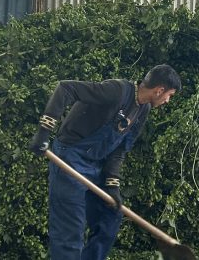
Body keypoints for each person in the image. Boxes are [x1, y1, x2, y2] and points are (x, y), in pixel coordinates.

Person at [29, 64, 181, 260]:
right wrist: (43, 132)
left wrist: (112, 184)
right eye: (169, 95)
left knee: (110, 218)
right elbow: (66, 88)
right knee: (70, 234)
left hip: (96, 167)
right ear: (159, 90)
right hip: (70, 160)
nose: (168, 100)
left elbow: (119, 150)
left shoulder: (142, 110)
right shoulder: (117, 91)